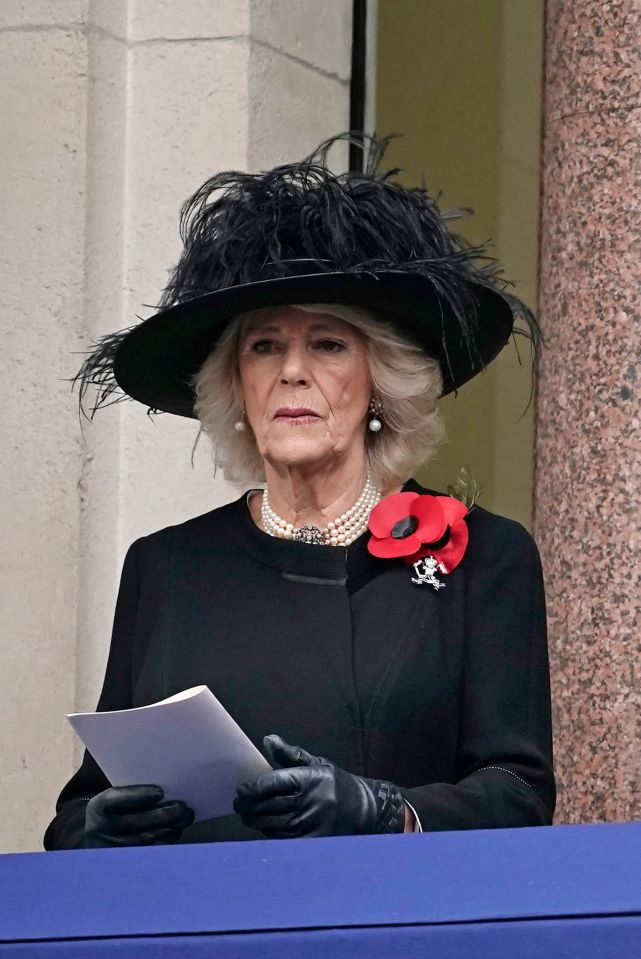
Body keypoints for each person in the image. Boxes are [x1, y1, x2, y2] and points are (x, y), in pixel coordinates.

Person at [44, 134, 554, 849]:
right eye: (263, 346)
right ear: (236, 386)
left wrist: (382, 810)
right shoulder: (165, 567)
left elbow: (519, 794)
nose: (290, 371)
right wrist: (96, 826)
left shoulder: (484, 558)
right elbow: (77, 813)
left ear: (380, 378)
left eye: (326, 343)